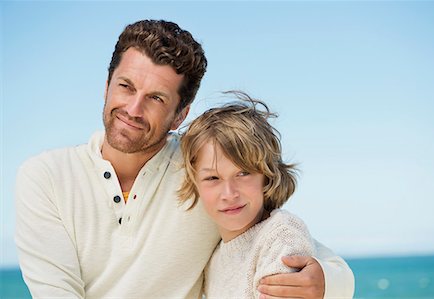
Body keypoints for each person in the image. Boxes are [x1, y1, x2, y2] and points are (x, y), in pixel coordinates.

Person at [15, 19, 354, 298]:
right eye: (126, 87)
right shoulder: (45, 177)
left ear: (180, 115)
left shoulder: (204, 170)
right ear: (106, 86)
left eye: (156, 98)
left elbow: (293, 248)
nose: (133, 110)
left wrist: (328, 281)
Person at [178, 91, 348, 298]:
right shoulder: (215, 257)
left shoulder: (282, 235)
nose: (229, 193)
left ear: (266, 176)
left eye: (243, 173)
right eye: (213, 178)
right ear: (195, 184)